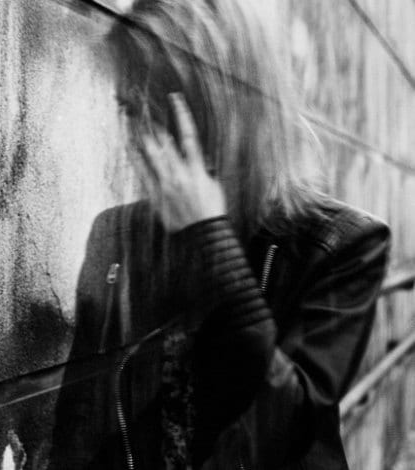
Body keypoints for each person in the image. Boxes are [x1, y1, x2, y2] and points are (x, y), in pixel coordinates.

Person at [49, 0, 391, 469]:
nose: (142, 140)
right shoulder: (117, 235)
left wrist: (209, 237)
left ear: (227, 108)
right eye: (129, 110)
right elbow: (79, 427)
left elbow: (284, 425)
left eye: (166, 111)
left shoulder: (342, 244)